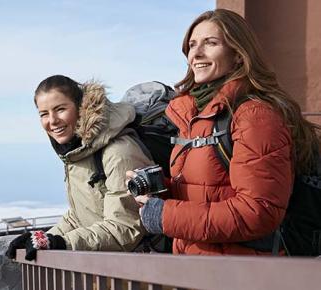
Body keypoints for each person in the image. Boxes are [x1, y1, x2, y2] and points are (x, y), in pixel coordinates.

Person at [133, 9, 320, 255]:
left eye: (211, 43)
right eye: (192, 45)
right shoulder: (196, 116)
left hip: (244, 272)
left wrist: (165, 215)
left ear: (239, 55)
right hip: (200, 266)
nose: (196, 54)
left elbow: (258, 211)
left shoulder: (254, 115)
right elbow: (210, 191)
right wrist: (160, 190)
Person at [6, 75, 153, 260]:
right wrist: (43, 237)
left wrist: (63, 243)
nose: (52, 120)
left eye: (60, 109)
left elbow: (125, 228)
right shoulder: (79, 153)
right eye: (44, 114)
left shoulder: (119, 152)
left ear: (80, 107)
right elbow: (80, 216)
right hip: (108, 266)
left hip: (140, 271)